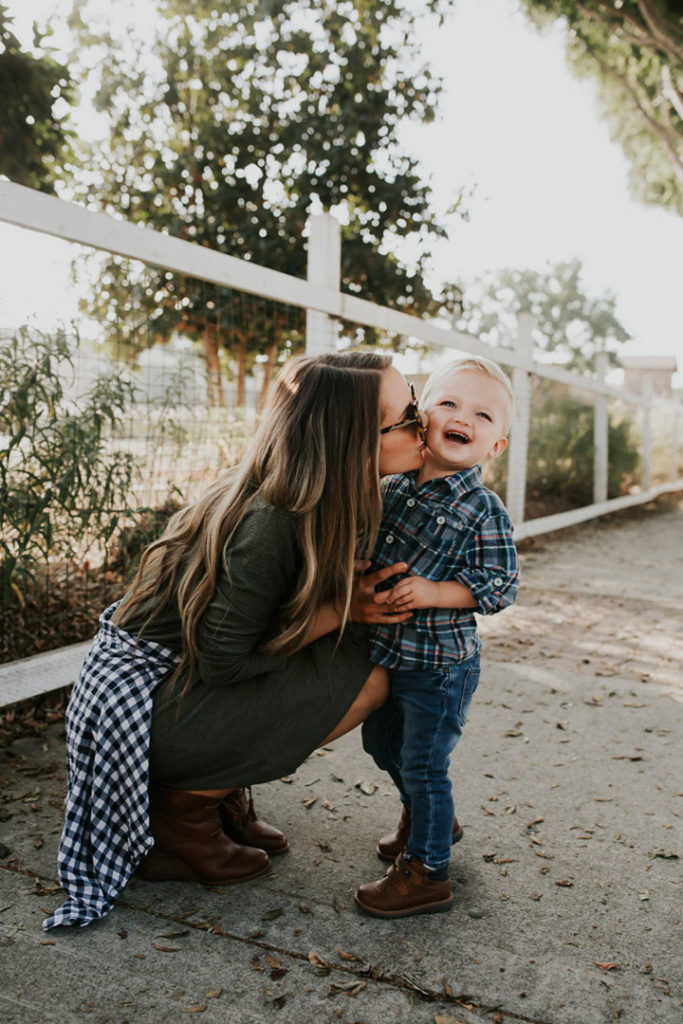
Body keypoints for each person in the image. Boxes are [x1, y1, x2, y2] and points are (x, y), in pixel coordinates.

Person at [43, 352, 427, 931]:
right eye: (410, 416)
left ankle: (211, 792)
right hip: (142, 710)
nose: (423, 425)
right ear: (354, 440)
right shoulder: (273, 519)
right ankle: (182, 815)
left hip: (166, 687)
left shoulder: (310, 495)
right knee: (368, 672)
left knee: (355, 649)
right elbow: (223, 661)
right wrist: (339, 610)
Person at [355, 356, 520, 918]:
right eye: (448, 403)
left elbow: (500, 586)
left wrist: (434, 592)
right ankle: (430, 818)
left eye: (482, 414)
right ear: (418, 419)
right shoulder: (395, 487)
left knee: (426, 763)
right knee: (382, 745)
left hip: (441, 668)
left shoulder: (482, 510)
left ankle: (427, 872)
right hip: (389, 656)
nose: (462, 418)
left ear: (495, 446)